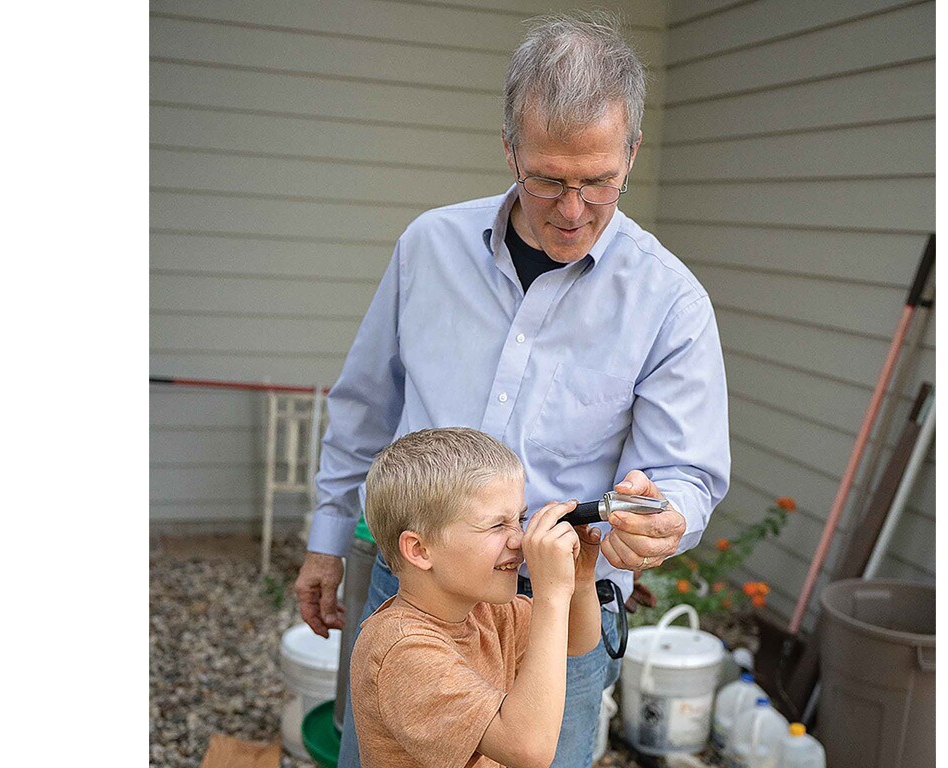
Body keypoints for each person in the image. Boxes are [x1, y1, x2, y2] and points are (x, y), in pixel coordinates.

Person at [297, 12, 731, 768]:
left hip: (561, 610)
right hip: (416, 592)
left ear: (631, 153)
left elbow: (685, 476)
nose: (572, 211)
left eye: (598, 183)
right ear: (509, 148)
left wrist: (666, 516)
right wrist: (327, 540)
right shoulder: (427, 248)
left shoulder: (671, 300)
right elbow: (365, 407)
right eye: (548, 180)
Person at [350, 427, 601, 768]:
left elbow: (578, 641)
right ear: (420, 550)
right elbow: (528, 750)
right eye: (497, 526)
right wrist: (551, 594)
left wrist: (581, 579)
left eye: (521, 519)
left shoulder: (488, 613)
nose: (520, 539)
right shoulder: (401, 650)